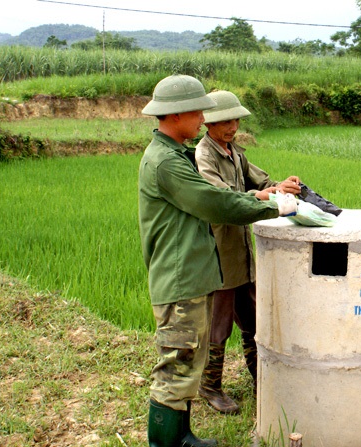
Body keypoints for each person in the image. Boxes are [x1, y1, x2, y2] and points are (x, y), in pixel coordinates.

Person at [138, 75, 297, 447]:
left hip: (190, 275)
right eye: (198, 113)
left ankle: (182, 436)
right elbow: (214, 202)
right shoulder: (167, 162)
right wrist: (272, 204)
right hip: (180, 279)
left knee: (185, 362)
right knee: (177, 367)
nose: (203, 119)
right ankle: (168, 442)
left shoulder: (174, 154)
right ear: (177, 114)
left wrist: (268, 195)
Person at [194, 90, 301, 414]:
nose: (233, 126)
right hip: (220, 254)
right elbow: (221, 196)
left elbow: (262, 180)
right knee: (219, 324)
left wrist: (282, 185)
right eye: (226, 120)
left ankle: (261, 377)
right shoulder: (205, 156)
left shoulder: (234, 152)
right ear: (210, 123)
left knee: (254, 319)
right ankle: (210, 386)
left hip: (241, 253)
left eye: (236, 119)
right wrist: (262, 195)